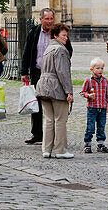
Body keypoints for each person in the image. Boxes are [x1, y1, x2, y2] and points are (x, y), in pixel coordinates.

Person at [21, 8, 73, 145]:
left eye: (51, 19)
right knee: (36, 104)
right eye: (47, 19)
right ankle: (37, 134)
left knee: (55, 104)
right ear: (41, 19)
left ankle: (53, 136)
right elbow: (27, 52)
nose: (49, 22)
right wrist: (24, 72)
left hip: (54, 74)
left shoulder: (59, 33)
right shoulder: (34, 32)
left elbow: (69, 50)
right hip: (38, 72)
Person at [35, 22, 74, 158]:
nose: (66, 38)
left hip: (43, 86)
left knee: (49, 119)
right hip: (56, 87)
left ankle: (46, 149)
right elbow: (63, 72)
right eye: (64, 35)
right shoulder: (61, 50)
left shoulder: (48, 49)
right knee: (60, 119)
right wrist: (69, 91)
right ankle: (60, 150)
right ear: (56, 35)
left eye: (66, 36)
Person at [81, 57, 108, 153]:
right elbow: (82, 92)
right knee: (90, 126)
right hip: (92, 108)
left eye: (102, 68)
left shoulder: (105, 81)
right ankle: (87, 144)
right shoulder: (88, 81)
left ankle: (100, 143)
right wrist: (89, 95)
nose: (100, 70)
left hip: (102, 107)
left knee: (101, 126)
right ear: (92, 69)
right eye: (97, 68)